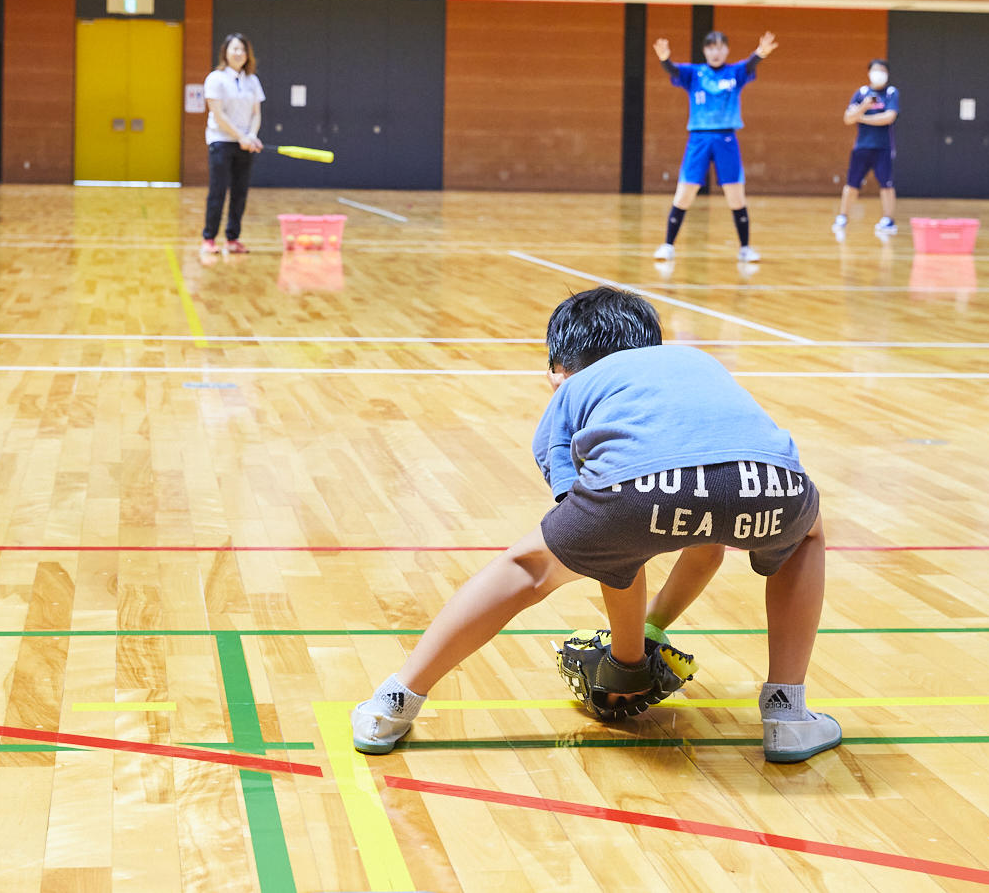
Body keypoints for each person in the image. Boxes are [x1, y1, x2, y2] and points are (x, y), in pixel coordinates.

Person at [350, 286, 839, 765]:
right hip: (773, 485)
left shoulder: (572, 391)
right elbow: (707, 544)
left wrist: (628, 661)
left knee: (527, 569)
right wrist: (651, 629)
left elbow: (612, 550)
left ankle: (392, 705)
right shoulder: (696, 363)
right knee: (807, 537)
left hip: (634, 495)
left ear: (558, 372)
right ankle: (786, 714)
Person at [653, 29, 778, 264]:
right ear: (705, 50)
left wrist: (760, 53)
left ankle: (745, 248)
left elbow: (750, 65)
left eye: (720, 47)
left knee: (736, 196)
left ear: (727, 50)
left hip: (727, 139)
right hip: (699, 139)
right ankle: (668, 245)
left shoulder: (735, 72)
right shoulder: (695, 73)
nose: (716, 52)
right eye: (711, 47)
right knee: (684, 193)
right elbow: (673, 71)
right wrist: (664, 59)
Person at [200, 32, 265, 255]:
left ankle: (233, 238)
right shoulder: (215, 79)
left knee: (240, 192)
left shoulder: (252, 81)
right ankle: (209, 239)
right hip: (222, 142)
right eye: (234, 49)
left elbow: (256, 113)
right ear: (225, 52)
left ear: (248, 55)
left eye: (243, 50)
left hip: (246, 144)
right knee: (218, 191)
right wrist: (241, 137)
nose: (239, 53)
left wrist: (252, 136)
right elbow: (218, 115)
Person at [834, 58, 899, 238]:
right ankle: (842, 216)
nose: (878, 73)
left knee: (886, 184)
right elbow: (848, 118)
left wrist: (862, 118)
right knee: (852, 184)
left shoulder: (891, 93)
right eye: (875, 70)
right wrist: (863, 107)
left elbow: (889, 117)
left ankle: (887, 219)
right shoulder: (861, 93)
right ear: (869, 72)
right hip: (862, 147)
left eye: (882, 70)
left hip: (883, 147)